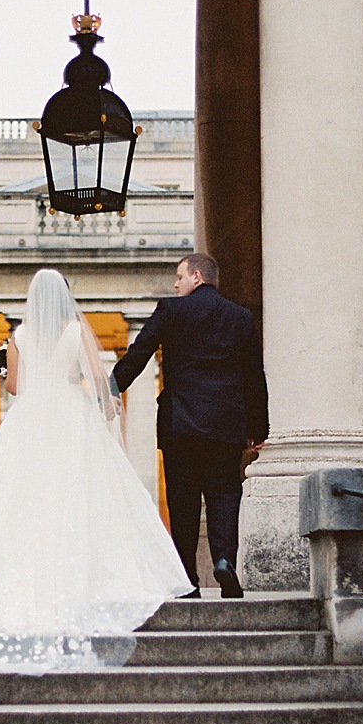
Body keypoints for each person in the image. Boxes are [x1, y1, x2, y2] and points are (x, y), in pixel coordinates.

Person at [0, 269, 192, 669]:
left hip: (28, 417)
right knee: (76, 492)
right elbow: (98, 378)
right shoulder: (75, 331)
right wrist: (106, 402)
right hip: (68, 412)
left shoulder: (19, 336)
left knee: (18, 496)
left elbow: (12, 387)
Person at [110, 253, 268, 599]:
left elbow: (139, 354)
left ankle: (188, 580)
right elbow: (254, 376)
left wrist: (109, 387)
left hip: (180, 424)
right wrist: (258, 429)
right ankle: (225, 560)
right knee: (225, 494)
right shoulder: (240, 317)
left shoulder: (170, 310)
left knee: (182, 502)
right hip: (226, 425)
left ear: (196, 276)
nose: (175, 283)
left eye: (179, 277)